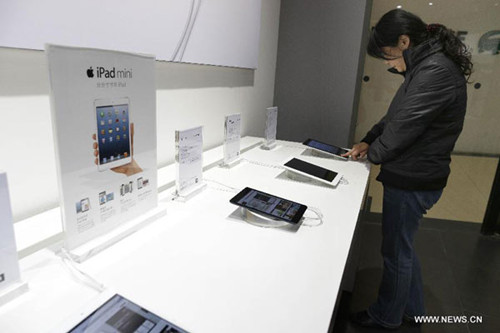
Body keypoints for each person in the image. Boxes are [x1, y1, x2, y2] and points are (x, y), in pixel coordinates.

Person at [342, 9, 472, 329]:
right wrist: (368, 140)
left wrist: (372, 156)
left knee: (395, 252)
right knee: (403, 247)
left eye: (387, 55)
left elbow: (404, 128)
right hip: (414, 172)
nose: (388, 63)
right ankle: (413, 309)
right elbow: (395, 116)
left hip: (414, 177)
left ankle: (386, 316)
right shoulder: (424, 66)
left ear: (404, 41)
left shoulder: (435, 70)